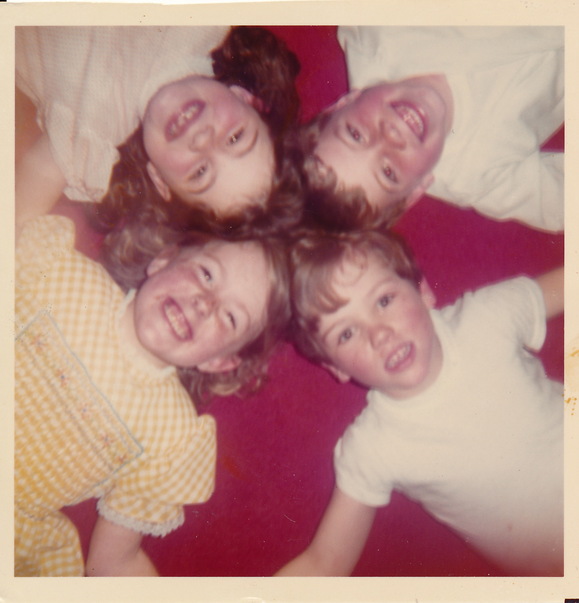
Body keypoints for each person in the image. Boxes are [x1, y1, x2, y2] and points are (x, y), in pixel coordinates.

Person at [15, 211, 291, 577]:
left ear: (220, 361)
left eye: (230, 317)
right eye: (206, 274)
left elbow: (112, 562)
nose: (205, 303)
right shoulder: (61, 273)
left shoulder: (174, 437)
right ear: (164, 259)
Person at [276, 228, 563, 576]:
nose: (379, 334)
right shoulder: (372, 448)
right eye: (346, 333)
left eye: (384, 301)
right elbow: (325, 561)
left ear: (422, 290)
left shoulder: (486, 317)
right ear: (336, 367)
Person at [15, 26, 302, 239]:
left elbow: (18, 213)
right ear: (245, 98)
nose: (203, 140)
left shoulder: (90, 139)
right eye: (235, 138)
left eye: (200, 172)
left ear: (160, 181)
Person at [299, 26, 563, 232]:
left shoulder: (379, 31)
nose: (389, 136)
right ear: (415, 191)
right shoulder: (473, 176)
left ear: (342, 104)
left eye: (355, 134)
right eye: (388, 172)